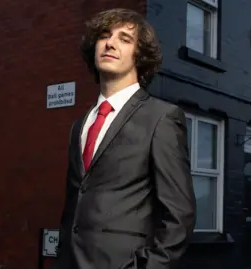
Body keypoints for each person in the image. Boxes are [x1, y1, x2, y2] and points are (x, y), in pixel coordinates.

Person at [54, 8, 196, 269]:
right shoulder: (80, 126)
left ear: (139, 56)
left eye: (124, 39)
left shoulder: (161, 118)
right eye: (104, 36)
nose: (110, 43)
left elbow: (180, 215)